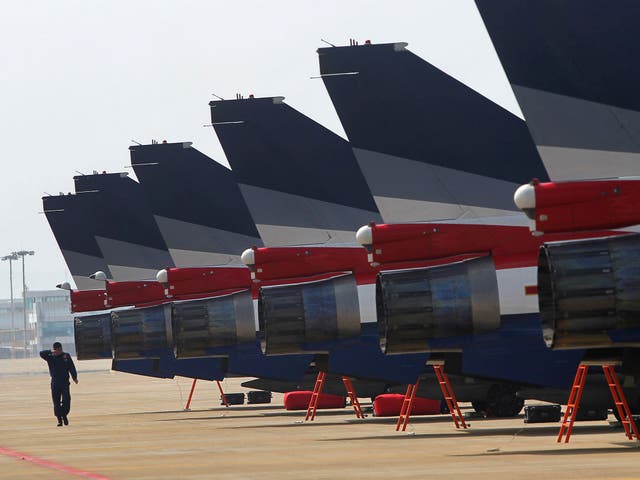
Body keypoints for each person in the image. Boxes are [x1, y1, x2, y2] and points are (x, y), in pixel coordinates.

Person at [39, 342, 78, 426]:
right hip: (55, 383)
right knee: (56, 402)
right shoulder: (50, 357)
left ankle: (64, 415)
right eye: (58, 350)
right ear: (55, 349)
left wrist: (74, 377)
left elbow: (71, 367)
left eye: (61, 349)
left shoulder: (66, 356)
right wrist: (51, 351)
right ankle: (59, 420)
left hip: (65, 383)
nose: (60, 351)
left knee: (66, 400)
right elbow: (41, 353)